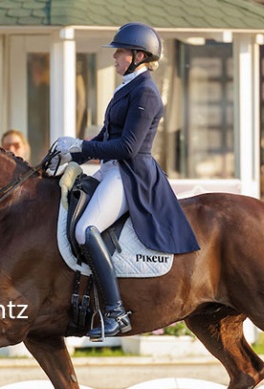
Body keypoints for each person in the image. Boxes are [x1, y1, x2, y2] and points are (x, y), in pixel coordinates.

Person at [47, 22, 200, 340]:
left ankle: (116, 312)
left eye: (121, 52)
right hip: (111, 169)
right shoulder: (127, 86)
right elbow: (106, 136)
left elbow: (128, 147)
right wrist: (70, 156)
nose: (115, 56)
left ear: (139, 56)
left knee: (84, 229)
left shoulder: (146, 92)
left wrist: (81, 147)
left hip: (130, 174)